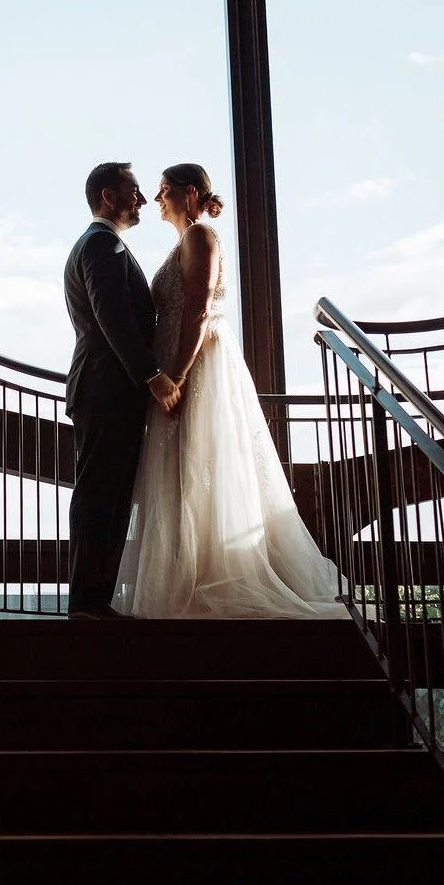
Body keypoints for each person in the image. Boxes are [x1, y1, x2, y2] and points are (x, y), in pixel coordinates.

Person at [114, 162, 345, 619]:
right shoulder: (184, 242)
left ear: (191, 193)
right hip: (181, 364)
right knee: (182, 470)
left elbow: (198, 310)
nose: (156, 199)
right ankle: (190, 575)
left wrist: (175, 378)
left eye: (163, 190)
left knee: (200, 461)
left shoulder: (200, 237)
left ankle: (212, 579)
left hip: (195, 366)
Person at [63, 163, 181, 620]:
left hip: (109, 389)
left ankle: (96, 600)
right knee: (98, 494)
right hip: (105, 387)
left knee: (110, 495)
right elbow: (112, 317)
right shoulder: (101, 245)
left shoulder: (104, 245)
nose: (144, 199)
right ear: (109, 197)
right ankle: (87, 603)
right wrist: (152, 376)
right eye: (134, 190)